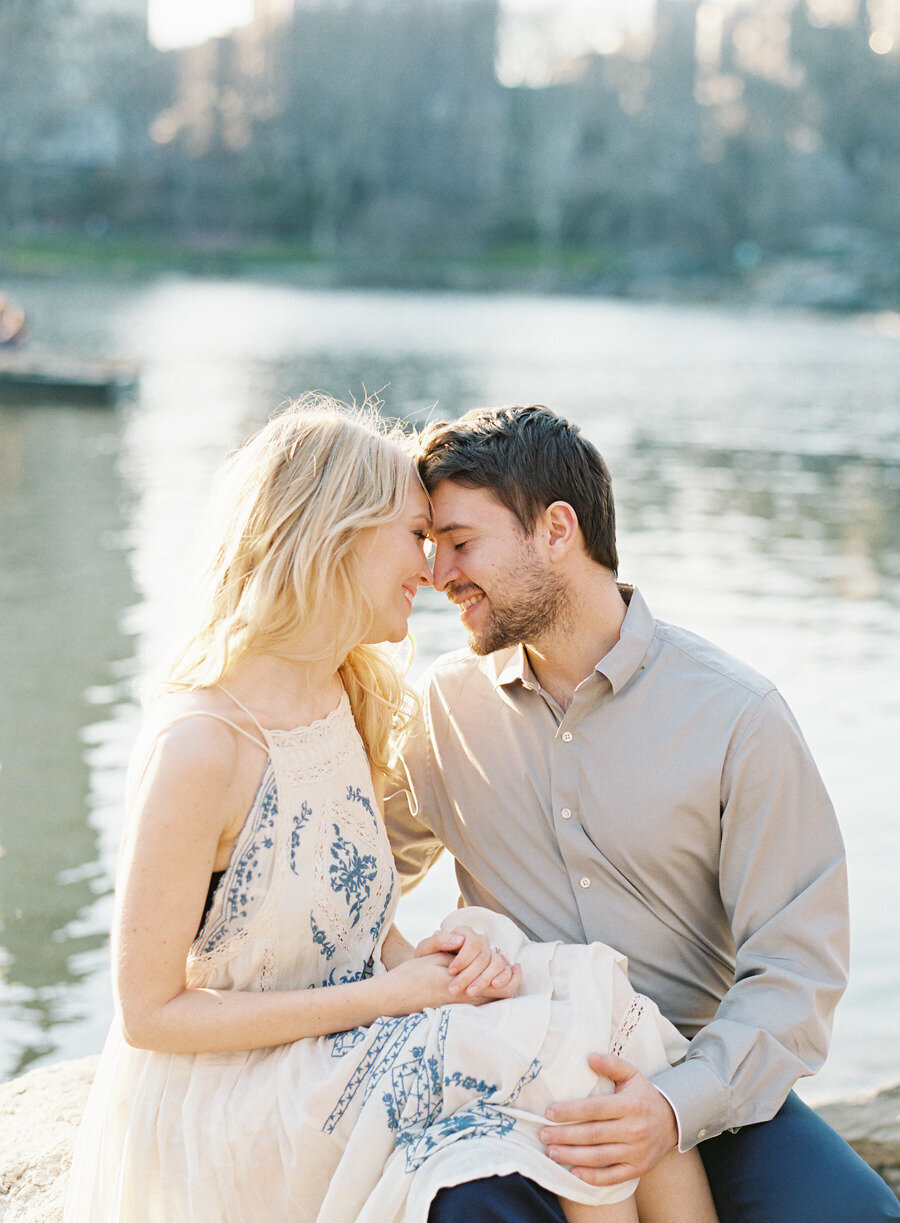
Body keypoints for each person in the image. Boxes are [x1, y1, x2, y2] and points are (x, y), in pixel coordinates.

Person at [64, 396, 719, 1223]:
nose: (435, 568)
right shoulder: (202, 744)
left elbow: (349, 928)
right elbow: (150, 1014)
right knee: (580, 1052)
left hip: (332, 1057)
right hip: (237, 1104)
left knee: (597, 1011)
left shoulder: (349, 695)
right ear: (335, 531)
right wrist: (396, 994)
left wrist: (433, 965)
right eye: (416, 535)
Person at [385, 403, 900, 1223]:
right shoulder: (441, 710)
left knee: (851, 1215)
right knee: (462, 1211)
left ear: (557, 529)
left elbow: (796, 971)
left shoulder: (738, 716)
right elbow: (355, 877)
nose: (440, 573)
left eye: (460, 542)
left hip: (698, 1079)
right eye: (432, 548)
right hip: (524, 1087)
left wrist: (670, 1107)